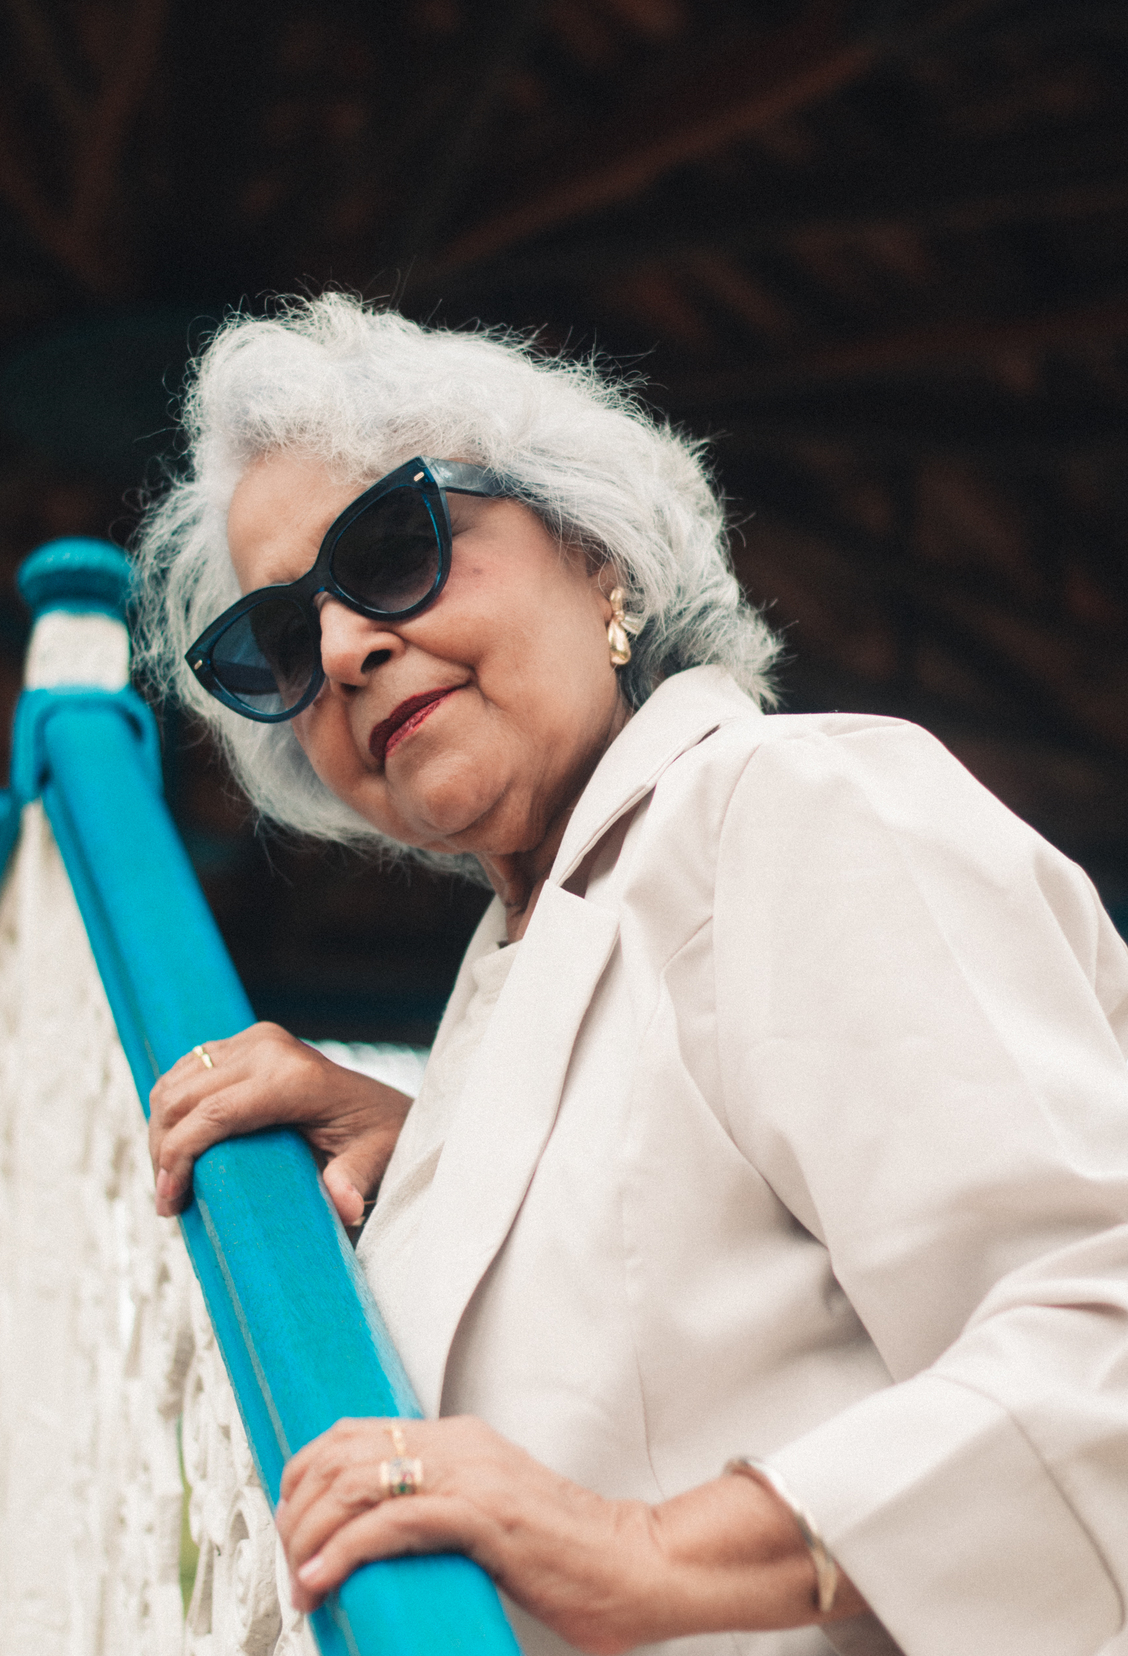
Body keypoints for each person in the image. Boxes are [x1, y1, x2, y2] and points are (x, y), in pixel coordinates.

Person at [138, 294, 1128, 1656]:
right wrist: (435, 1158)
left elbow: (1102, 1330)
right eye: (277, 639)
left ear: (596, 552)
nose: (346, 649)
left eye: (394, 546)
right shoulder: (508, 1001)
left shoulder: (790, 807)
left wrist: (649, 1553)